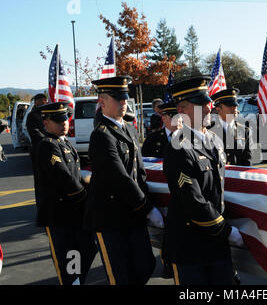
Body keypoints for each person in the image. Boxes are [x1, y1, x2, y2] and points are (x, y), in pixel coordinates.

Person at [163, 76, 244, 285]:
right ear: (181, 110)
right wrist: (226, 231)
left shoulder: (214, 140)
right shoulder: (178, 147)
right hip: (190, 247)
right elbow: (192, 200)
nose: (209, 108)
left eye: (208, 102)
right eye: (200, 104)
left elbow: (218, 189)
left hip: (216, 243)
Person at [84, 76, 164, 285]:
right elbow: (119, 177)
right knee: (120, 277)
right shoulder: (101, 135)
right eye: (117, 99)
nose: (123, 103)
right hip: (110, 218)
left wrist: (146, 202)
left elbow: (139, 171)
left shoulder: (128, 128)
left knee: (146, 265)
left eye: (125, 98)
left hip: (132, 214)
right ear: (102, 102)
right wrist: (147, 208)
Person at [34, 101, 97, 285]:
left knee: (86, 248)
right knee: (69, 254)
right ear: (45, 122)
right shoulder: (47, 145)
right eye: (58, 120)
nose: (64, 123)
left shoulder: (64, 142)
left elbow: (75, 175)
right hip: (58, 214)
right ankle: (72, 281)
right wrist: (87, 199)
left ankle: (76, 280)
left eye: (65, 119)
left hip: (74, 213)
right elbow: (65, 178)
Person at [209, 88, 253, 166]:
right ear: (218, 109)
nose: (235, 107)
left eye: (235, 104)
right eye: (230, 105)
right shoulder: (209, 131)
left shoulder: (245, 131)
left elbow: (248, 161)